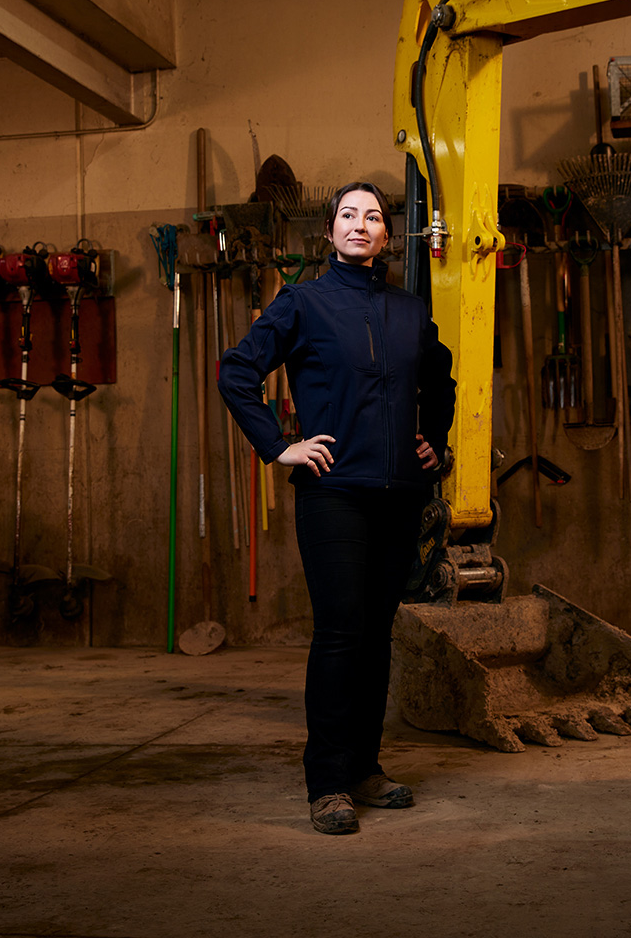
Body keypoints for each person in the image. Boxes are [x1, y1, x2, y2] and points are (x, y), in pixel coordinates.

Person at [217, 181, 456, 835]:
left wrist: (435, 443)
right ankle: (327, 783)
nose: (360, 224)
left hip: (399, 495)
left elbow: (441, 380)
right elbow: (237, 371)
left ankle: (365, 767)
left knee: (377, 634)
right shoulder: (303, 303)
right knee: (341, 631)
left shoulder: (409, 311)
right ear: (329, 232)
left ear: (386, 236)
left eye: (373, 216)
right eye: (348, 214)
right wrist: (279, 447)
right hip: (334, 493)